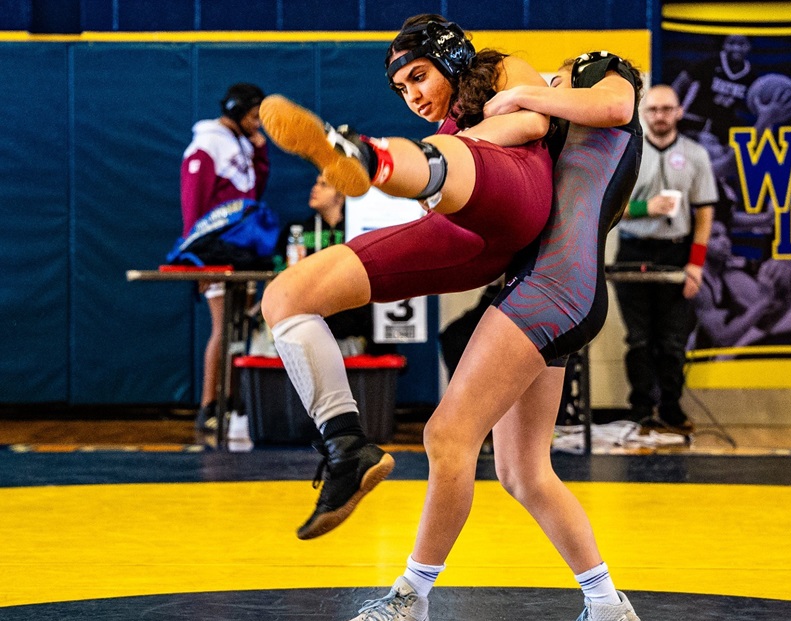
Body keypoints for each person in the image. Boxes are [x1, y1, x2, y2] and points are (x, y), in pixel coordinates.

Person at [324, 50, 648, 621]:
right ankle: (607, 607)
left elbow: (616, 103)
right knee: (523, 471)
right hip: (558, 289)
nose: (528, 88)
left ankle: (409, 602)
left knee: (448, 436)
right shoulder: (554, 119)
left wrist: (524, 97)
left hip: (552, 288)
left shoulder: (589, 80)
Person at [259, 15, 553, 541]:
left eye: (419, 77)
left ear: (451, 58)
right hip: (466, 237)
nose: (412, 95)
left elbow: (533, 124)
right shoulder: (442, 140)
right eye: (401, 89)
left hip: (519, 201)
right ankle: (346, 445)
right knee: (285, 297)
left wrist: (452, 148)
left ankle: (365, 154)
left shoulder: (501, 69)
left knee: (451, 155)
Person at [614, 84, 718, 434]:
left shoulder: (695, 155)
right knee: (639, 339)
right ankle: (641, 409)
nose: (660, 116)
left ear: (679, 112)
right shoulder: (628, 154)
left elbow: (704, 212)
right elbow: (609, 209)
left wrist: (696, 263)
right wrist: (646, 208)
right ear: (645, 114)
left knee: (673, 340)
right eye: (654, 109)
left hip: (677, 250)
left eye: (666, 109)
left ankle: (671, 407)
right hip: (634, 250)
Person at [180, 82, 269, 432]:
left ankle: (231, 399)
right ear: (235, 111)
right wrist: (197, 258)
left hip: (241, 248)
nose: (258, 122)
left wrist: (260, 154)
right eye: (253, 115)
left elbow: (255, 191)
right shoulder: (206, 144)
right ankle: (209, 403)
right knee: (222, 326)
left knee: (238, 327)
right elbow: (193, 205)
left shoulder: (241, 144)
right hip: (216, 250)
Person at [672, 34, 757, 145]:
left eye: (741, 44)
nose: (736, 48)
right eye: (731, 43)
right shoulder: (709, 64)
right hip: (692, 119)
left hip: (721, 126)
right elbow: (680, 83)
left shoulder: (751, 76)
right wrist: (672, 109)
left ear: (749, 46)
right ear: (723, 44)